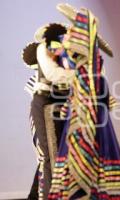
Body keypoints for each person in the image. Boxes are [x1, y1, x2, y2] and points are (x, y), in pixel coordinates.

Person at [48, 4, 120, 199]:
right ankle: (81, 187)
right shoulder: (83, 62)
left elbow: (91, 86)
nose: (68, 35)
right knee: (85, 145)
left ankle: (89, 188)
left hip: (91, 108)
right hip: (85, 104)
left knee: (93, 144)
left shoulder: (89, 62)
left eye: (72, 30)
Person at [23, 24, 75, 200]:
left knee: (60, 156)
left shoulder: (66, 56)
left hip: (62, 106)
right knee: (46, 156)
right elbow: (53, 75)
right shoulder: (43, 51)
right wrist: (80, 75)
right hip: (44, 104)